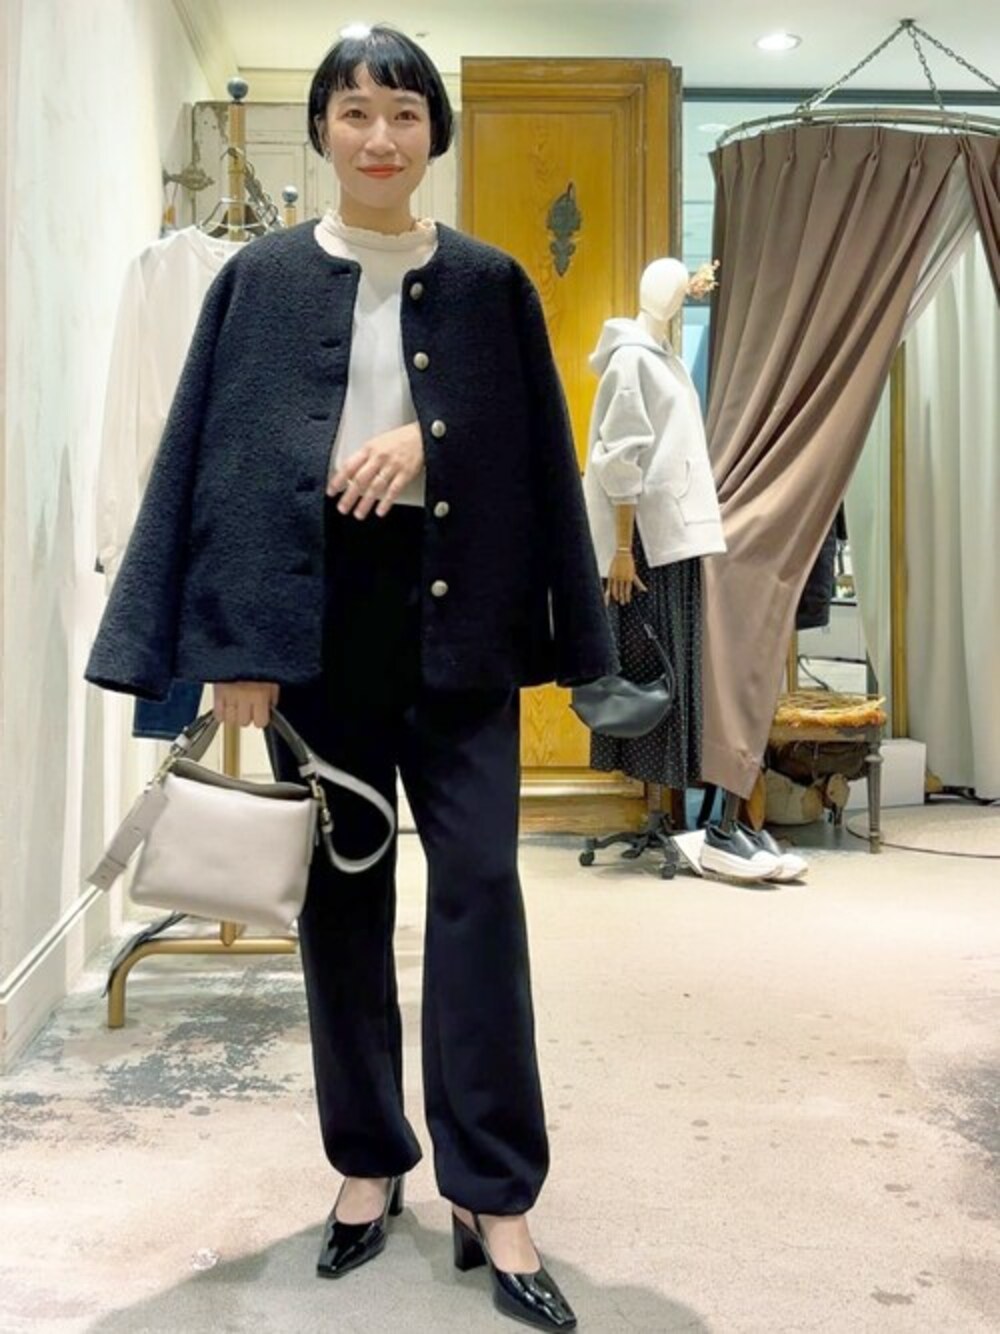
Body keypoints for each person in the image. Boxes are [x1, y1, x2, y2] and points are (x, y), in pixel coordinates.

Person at [85, 24, 615, 1332]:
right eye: (356, 112)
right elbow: (214, 463)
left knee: (481, 895)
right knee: (341, 907)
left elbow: (533, 449)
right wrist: (236, 651)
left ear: (435, 133)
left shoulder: (490, 284)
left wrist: (429, 441)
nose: (381, 137)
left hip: (461, 626)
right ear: (322, 128)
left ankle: (497, 1194)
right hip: (316, 632)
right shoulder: (258, 280)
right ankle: (368, 1164)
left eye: (405, 114)